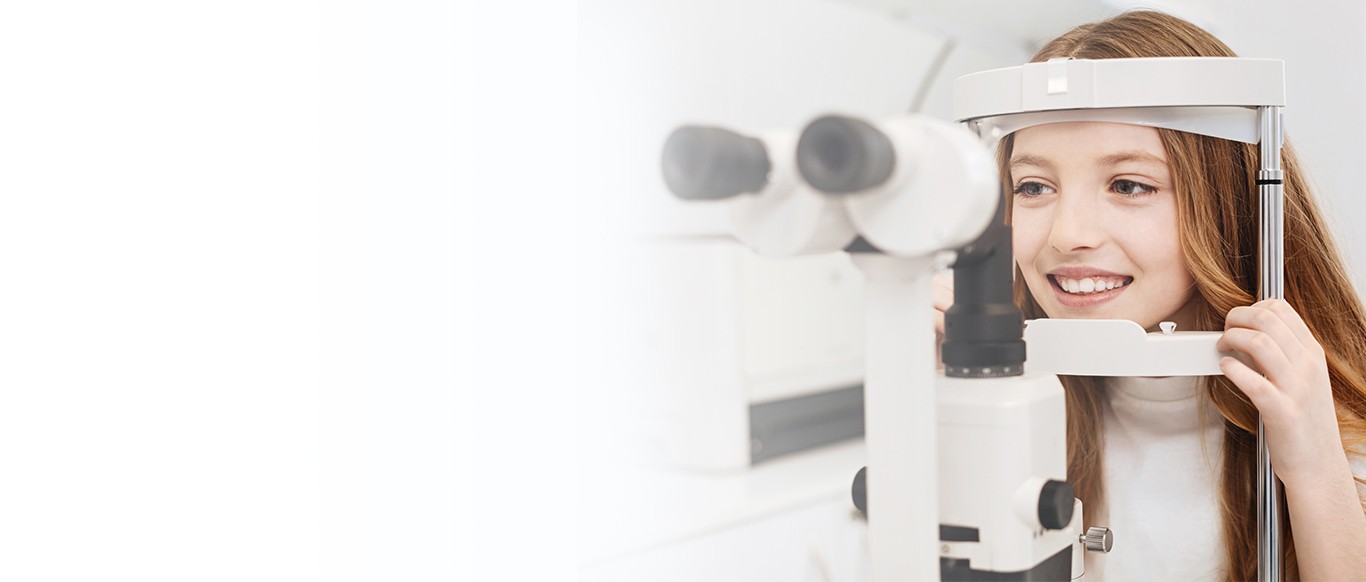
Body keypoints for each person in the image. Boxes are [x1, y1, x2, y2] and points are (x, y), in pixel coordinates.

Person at [934, 10, 1366, 581]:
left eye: (1129, 185)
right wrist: (936, 412)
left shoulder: (1341, 440)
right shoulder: (1009, 408)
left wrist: (1316, 470)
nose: (1069, 234)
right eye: (1033, 186)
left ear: (1228, 202)